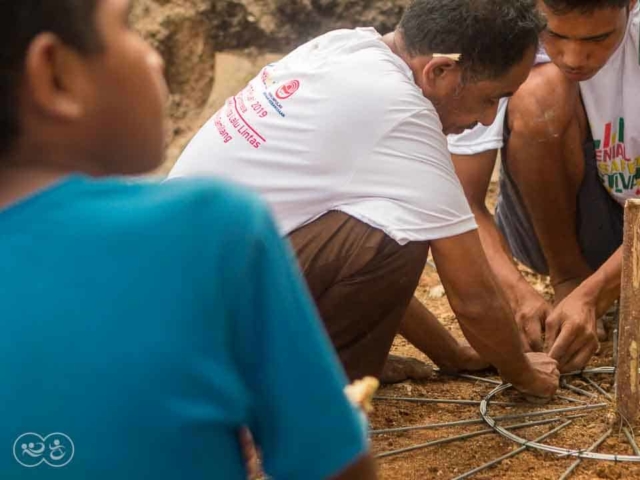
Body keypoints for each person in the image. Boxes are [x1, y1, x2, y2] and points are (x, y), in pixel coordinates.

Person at [0, 1, 377, 479]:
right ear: (54, 75)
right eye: (129, 28)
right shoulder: (211, 228)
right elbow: (336, 469)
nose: (155, 58)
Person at [169, 0, 561, 399]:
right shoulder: (401, 112)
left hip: (174, 300)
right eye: (490, 98)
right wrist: (523, 373)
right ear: (441, 70)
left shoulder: (345, 46)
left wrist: (452, 354)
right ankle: (300, 392)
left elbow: (349, 250)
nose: (486, 119)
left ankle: (324, 364)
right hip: (198, 329)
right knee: (393, 236)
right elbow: (472, 297)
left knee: (386, 226)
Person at [448, 0, 638, 373]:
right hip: (563, 228)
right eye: (554, 34)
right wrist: (516, 295)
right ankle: (568, 272)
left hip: (628, 223)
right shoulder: (500, 33)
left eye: (599, 38)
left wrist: (595, 297)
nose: (573, 57)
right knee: (542, 94)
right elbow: (462, 202)